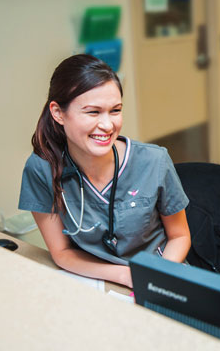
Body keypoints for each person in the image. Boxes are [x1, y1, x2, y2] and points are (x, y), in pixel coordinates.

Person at [18, 54, 191, 288]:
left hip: (162, 275)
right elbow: (61, 252)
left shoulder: (153, 160)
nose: (108, 125)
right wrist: (123, 276)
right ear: (58, 113)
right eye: (93, 112)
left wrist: (155, 279)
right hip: (95, 280)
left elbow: (180, 236)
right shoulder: (42, 168)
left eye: (115, 110)